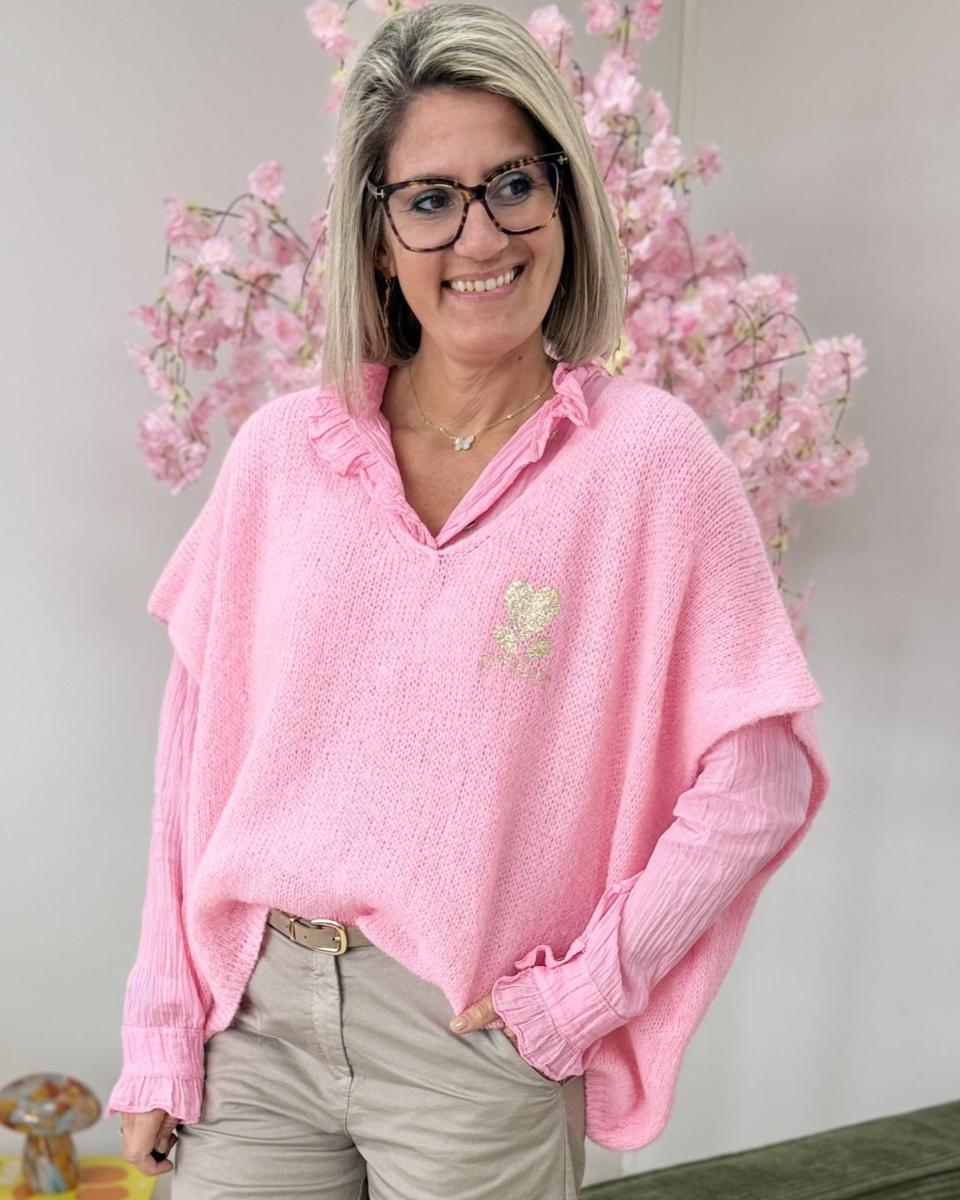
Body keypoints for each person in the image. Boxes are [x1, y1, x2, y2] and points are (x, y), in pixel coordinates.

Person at [106, 4, 830, 1197]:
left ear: (565, 204)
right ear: (378, 237)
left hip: (468, 1044)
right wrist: (162, 1026)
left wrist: (584, 996)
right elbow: (191, 769)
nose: (479, 234)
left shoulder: (650, 463)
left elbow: (761, 779)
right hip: (257, 1021)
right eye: (431, 199)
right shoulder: (283, 454)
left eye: (514, 185)